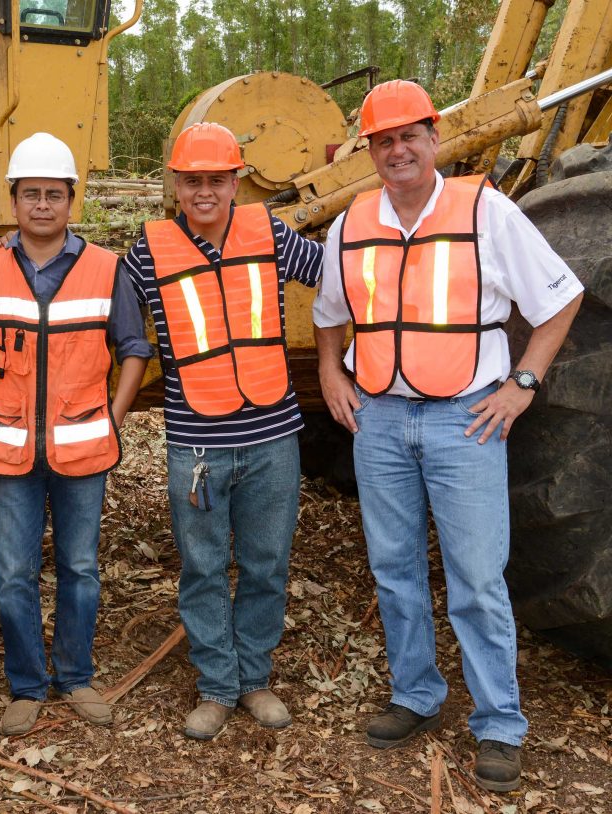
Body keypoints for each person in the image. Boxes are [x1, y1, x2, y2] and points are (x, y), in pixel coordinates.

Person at [313, 80, 584, 792]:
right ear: (369, 151)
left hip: (466, 418)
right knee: (394, 568)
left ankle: (498, 724)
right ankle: (416, 695)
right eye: (383, 139)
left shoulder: (485, 211)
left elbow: (561, 297)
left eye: (410, 136)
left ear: (434, 138)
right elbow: (329, 311)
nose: (397, 150)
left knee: (475, 578)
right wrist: (330, 373)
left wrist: (522, 383)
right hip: (380, 419)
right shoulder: (353, 222)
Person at [122, 122, 323, 740]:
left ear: (236, 181)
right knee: (203, 567)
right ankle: (216, 686)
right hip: (197, 442)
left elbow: (338, 279)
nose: (204, 191)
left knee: (266, 562)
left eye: (216, 179)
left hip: (272, 436)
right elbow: (107, 319)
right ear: (176, 185)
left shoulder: (271, 233)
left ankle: (254, 679)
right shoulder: (148, 252)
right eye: (192, 180)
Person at [0, 132, 152, 736]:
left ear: (72, 201)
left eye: (54, 195)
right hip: (8, 450)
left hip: (80, 451)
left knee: (79, 567)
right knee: (12, 572)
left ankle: (74, 676)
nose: (42, 205)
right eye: (30, 195)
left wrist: (112, 420)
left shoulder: (105, 269)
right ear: (13, 201)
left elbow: (134, 349)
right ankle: (26, 685)